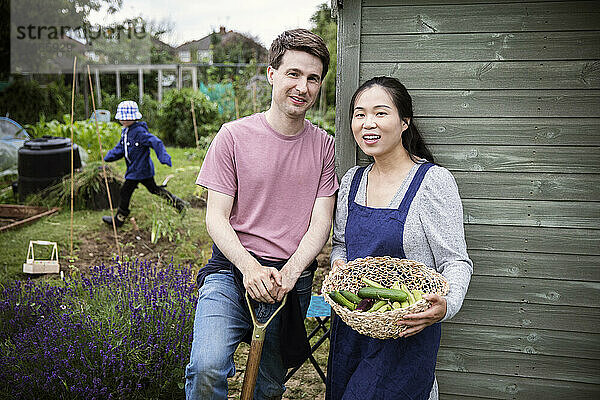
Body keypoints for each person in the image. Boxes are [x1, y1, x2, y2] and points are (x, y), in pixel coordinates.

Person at [185, 29, 338, 400]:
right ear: (272, 74)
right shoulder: (232, 137)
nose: (303, 87)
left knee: (269, 385)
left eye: (313, 78)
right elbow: (216, 218)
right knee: (206, 368)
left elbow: (321, 225)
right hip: (231, 272)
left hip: (290, 280)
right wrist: (250, 268)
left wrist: (289, 273)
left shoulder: (325, 147)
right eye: (293, 74)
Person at [326, 76, 473, 400]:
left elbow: (455, 260)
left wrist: (446, 306)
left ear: (405, 121)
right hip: (354, 329)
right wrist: (338, 266)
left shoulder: (432, 182)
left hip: (406, 330)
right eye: (359, 114)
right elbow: (341, 245)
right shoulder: (352, 180)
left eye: (380, 113)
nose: (368, 124)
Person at [102, 100, 187, 227]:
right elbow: (121, 148)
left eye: (128, 118)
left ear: (135, 117)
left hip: (140, 170)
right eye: (122, 118)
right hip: (135, 169)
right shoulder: (126, 131)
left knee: (125, 191)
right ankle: (179, 203)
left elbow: (156, 142)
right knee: (154, 189)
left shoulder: (139, 132)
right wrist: (108, 156)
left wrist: (163, 157)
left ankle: (120, 218)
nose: (124, 121)